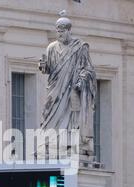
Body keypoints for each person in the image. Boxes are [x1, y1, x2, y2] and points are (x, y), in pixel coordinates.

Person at [38, 11, 96, 157]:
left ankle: (69, 144)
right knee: (48, 113)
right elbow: (49, 68)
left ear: (69, 30)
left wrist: (81, 80)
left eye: (62, 32)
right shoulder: (51, 47)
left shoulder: (80, 47)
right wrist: (43, 66)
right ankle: (50, 143)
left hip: (71, 91)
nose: (60, 35)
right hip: (55, 89)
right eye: (58, 32)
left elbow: (88, 69)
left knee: (71, 117)